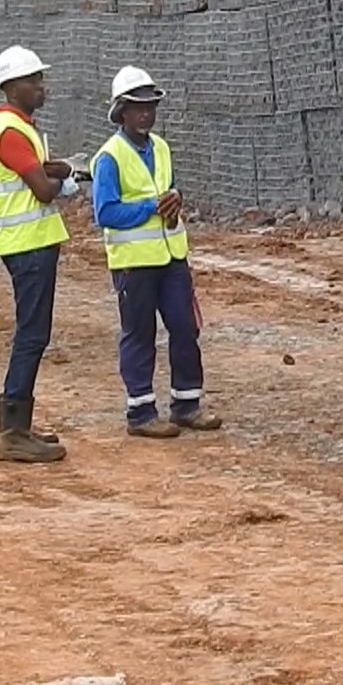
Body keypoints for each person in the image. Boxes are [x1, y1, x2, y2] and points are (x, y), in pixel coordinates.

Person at [90, 66, 222, 439]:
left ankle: (187, 404)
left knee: (184, 328)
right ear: (122, 111)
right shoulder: (109, 157)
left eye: (150, 106)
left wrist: (174, 200)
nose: (146, 113)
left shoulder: (161, 148)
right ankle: (141, 412)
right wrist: (150, 207)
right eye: (138, 107)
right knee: (139, 334)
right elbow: (105, 213)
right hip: (134, 265)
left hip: (171, 257)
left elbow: (170, 188)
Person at [0, 45, 82, 464]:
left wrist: (57, 169)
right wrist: (63, 183)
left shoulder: (18, 127)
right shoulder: (9, 131)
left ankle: (17, 424)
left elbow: (40, 169)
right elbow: (41, 188)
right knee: (31, 334)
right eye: (32, 80)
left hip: (30, 244)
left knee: (32, 332)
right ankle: (13, 430)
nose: (41, 86)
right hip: (28, 246)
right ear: (10, 87)